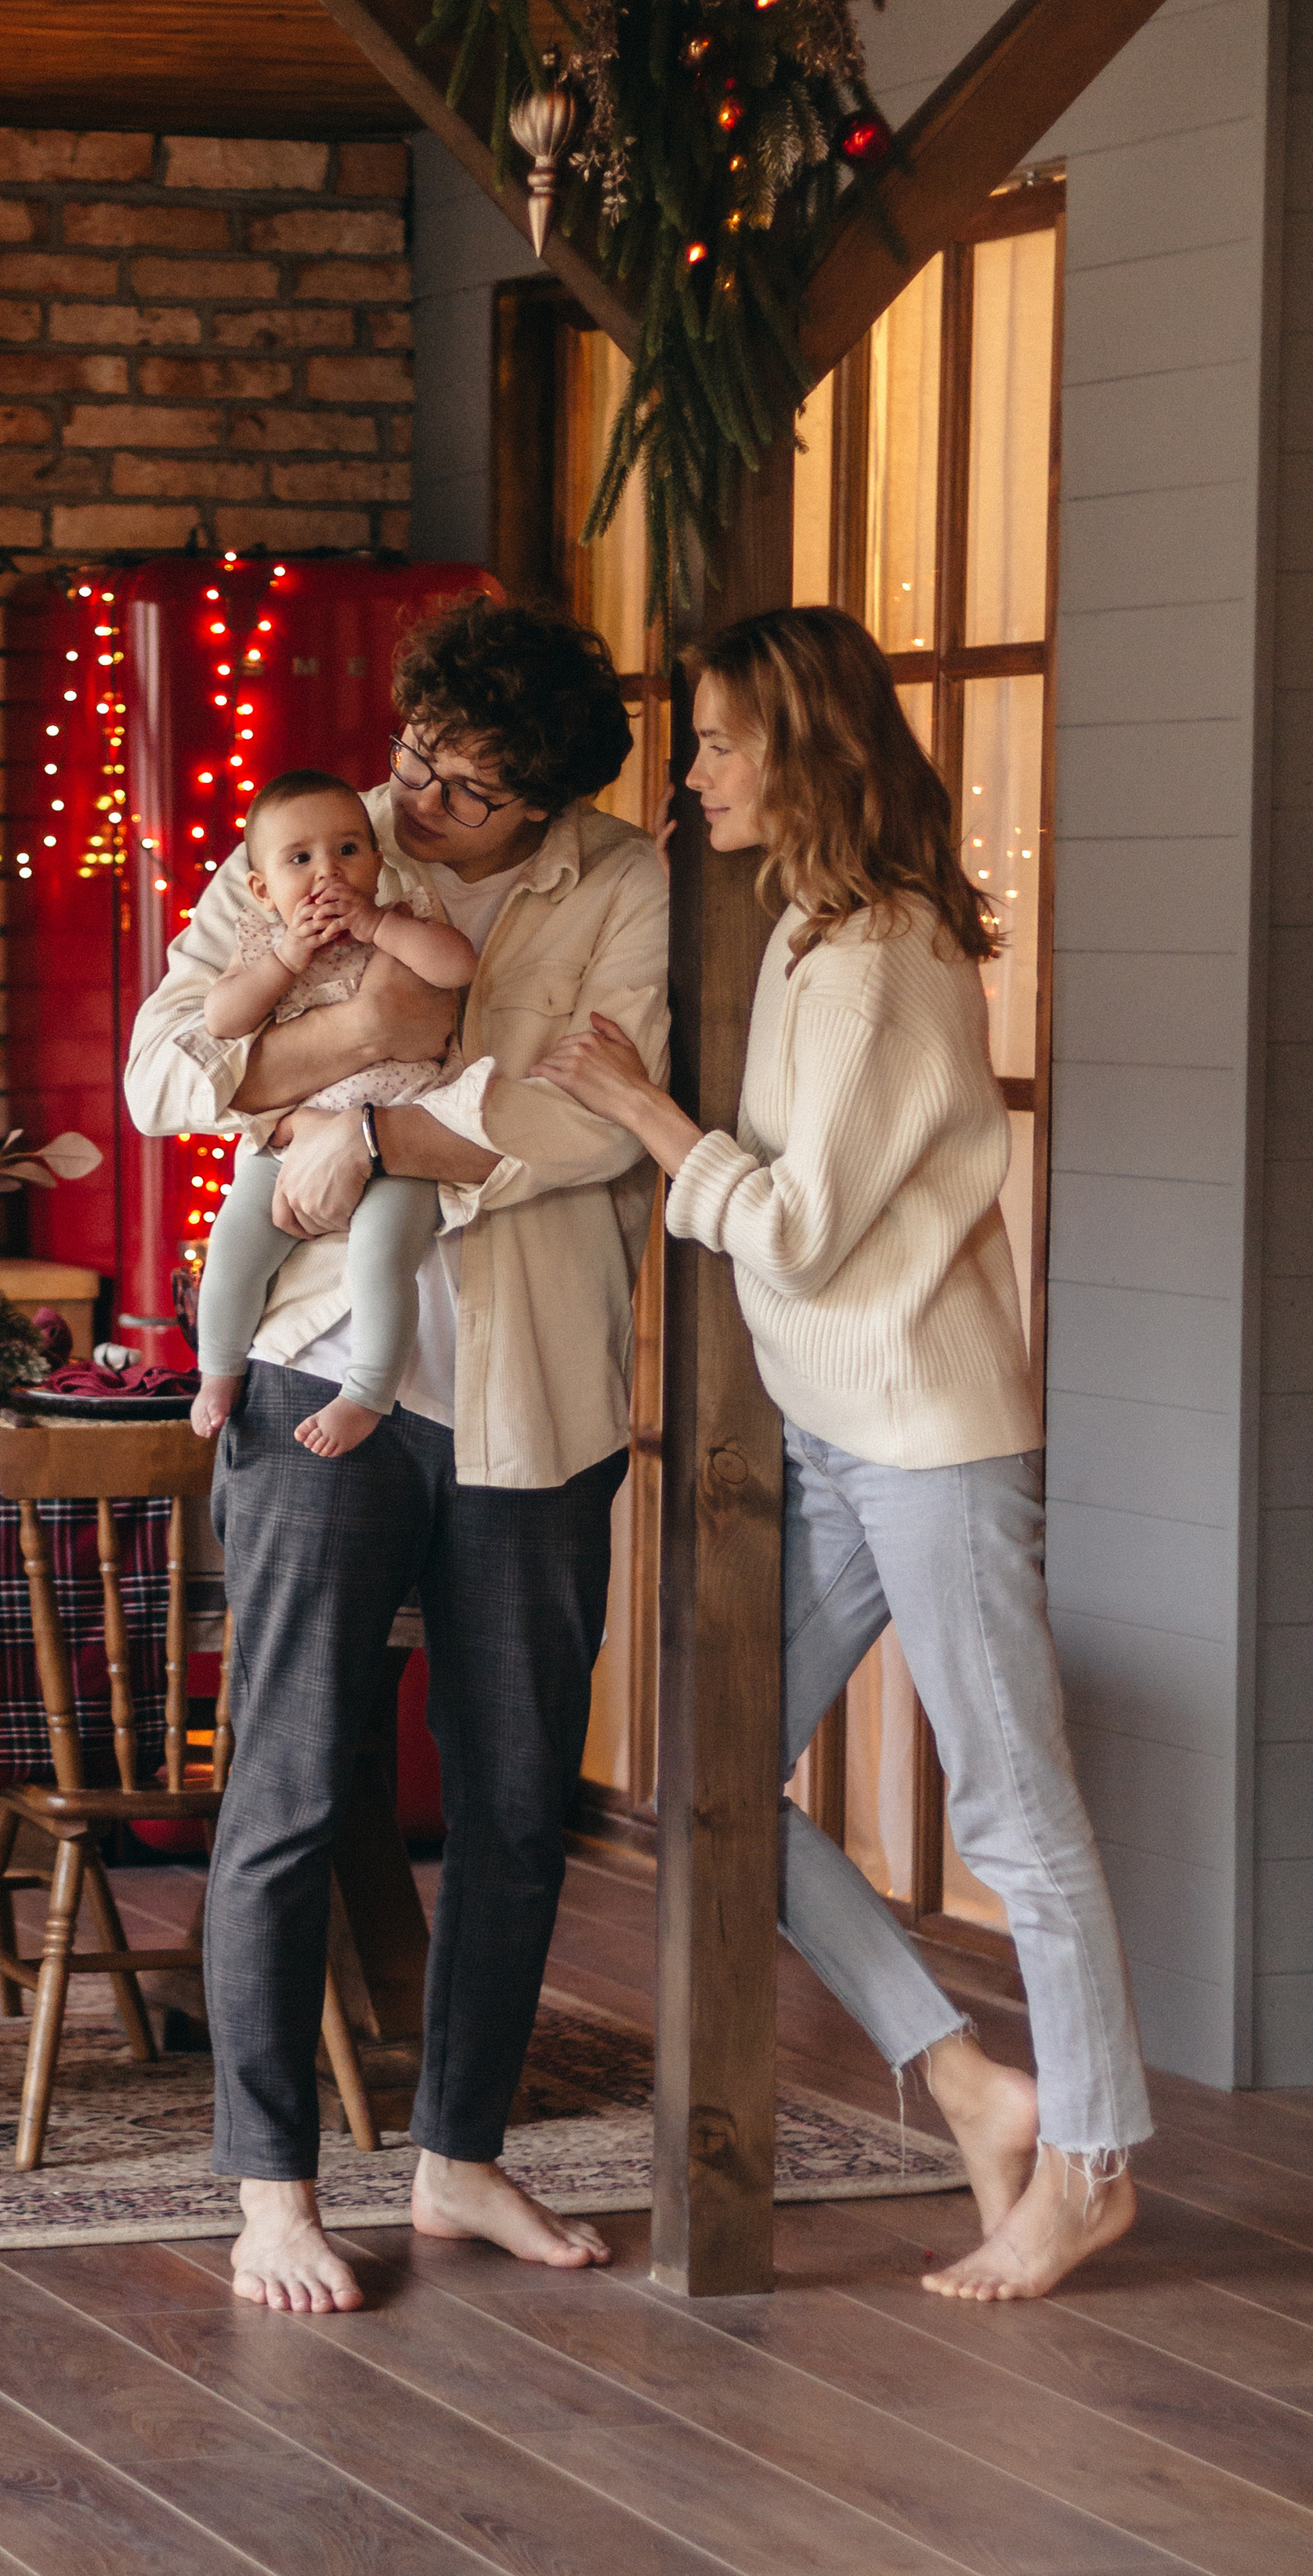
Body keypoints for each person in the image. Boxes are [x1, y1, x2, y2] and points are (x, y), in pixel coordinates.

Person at [537, 603, 1151, 2301]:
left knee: (1015, 1814)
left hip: (929, 1446)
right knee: (715, 1773)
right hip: (835, 1440)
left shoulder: (879, 951)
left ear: (800, 749)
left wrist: (652, 1119)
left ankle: (1092, 2164)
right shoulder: (803, 931)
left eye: (722, 741)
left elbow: (797, 1235)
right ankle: (967, 2081)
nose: (695, 773)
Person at [126, 596, 668, 2314]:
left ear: (546, 806)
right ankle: (268, 2188)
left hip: (537, 1400)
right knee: (285, 1782)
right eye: (416, 759)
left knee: (514, 1805)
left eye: (460, 791)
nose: (412, 803)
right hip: (307, 1378)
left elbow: (597, 1116)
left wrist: (361, 1132)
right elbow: (162, 1073)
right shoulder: (310, 843)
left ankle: (458, 2158)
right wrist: (349, 1046)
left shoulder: (631, 887)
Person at [192, 768, 477, 1460]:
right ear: (262, 889)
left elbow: (457, 968)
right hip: (294, 1136)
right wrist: (288, 957)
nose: (328, 873)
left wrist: (378, 925)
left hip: (402, 1138)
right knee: (233, 1247)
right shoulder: (264, 944)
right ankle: (219, 1369)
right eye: (300, 859)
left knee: (382, 1260)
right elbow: (221, 1018)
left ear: (377, 863)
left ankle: (367, 1392)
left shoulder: (403, 921)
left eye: (348, 851)